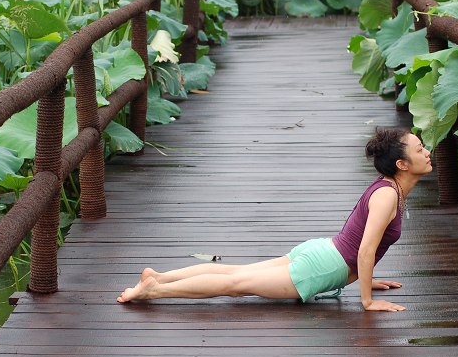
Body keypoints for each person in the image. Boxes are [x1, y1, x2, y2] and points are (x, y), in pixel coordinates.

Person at [117, 128, 432, 312]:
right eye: (421, 148)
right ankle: (153, 290)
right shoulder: (388, 194)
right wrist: (367, 300)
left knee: (235, 273)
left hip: (324, 253)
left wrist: (364, 279)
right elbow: (364, 250)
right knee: (235, 284)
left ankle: (158, 276)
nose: (427, 152)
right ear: (403, 164)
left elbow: (361, 249)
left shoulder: (389, 189)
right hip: (323, 264)